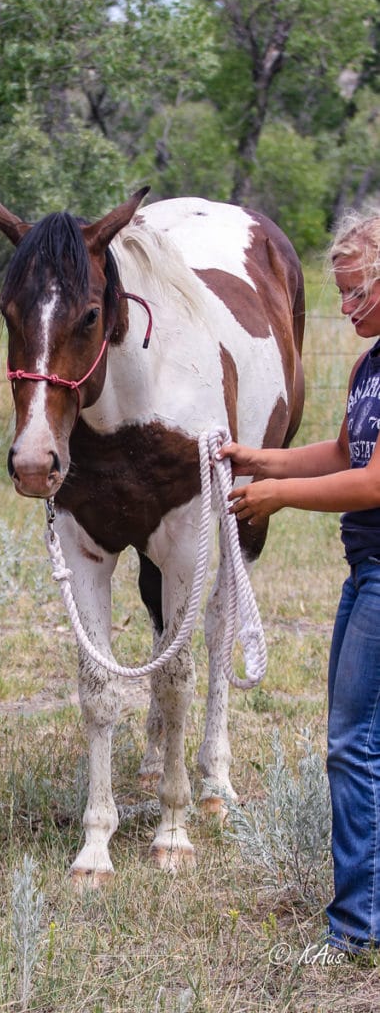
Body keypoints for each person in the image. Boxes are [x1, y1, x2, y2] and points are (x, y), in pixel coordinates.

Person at [220, 209, 380, 954]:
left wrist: (277, 497)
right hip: (365, 572)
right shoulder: (366, 367)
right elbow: (344, 449)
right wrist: (261, 459)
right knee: (357, 740)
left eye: (357, 293)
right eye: (341, 295)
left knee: (352, 744)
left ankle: (356, 927)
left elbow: (373, 481)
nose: (346, 309)